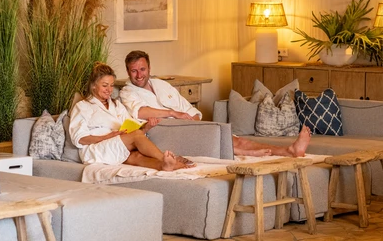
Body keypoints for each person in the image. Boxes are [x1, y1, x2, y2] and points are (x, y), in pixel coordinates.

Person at [119, 50, 312, 157]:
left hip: (188, 127)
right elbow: (141, 111)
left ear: (149, 68)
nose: (139, 75)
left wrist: (193, 122)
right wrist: (174, 114)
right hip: (164, 133)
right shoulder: (127, 92)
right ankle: (255, 153)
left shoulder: (162, 85)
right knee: (226, 142)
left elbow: (190, 109)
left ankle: (287, 151)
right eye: (134, 71)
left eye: (142, 69)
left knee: (232, 137)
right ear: (128, 72)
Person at [69, 62, 195, 171]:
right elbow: (79, 138)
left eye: (112, 85)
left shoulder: (116, 105)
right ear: (93, 85)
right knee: (136, 136)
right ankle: (168, 159)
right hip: (96, 151)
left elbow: (130, 129)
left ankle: (165, 165)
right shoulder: (82, 107)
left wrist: (146, 128)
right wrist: (107, 137)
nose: (109, 90)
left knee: (137, 157)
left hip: (117, 146)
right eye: (105, 85)